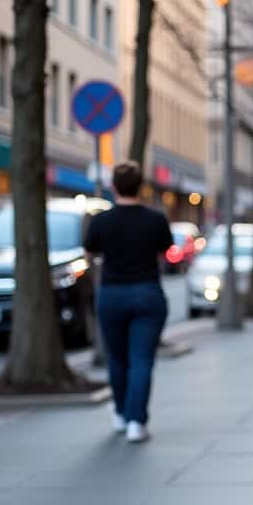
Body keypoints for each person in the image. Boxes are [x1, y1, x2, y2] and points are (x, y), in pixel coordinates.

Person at [82, 161, 173, 444]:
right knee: (142, 359)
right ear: (141, 187)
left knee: (117, 358)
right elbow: (165, 250)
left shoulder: (102, 221)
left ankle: (120, 413)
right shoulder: (155, 219)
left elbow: (89, 253)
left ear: (113, 187)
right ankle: (136, 421)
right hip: (147, 292)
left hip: (112, 294)